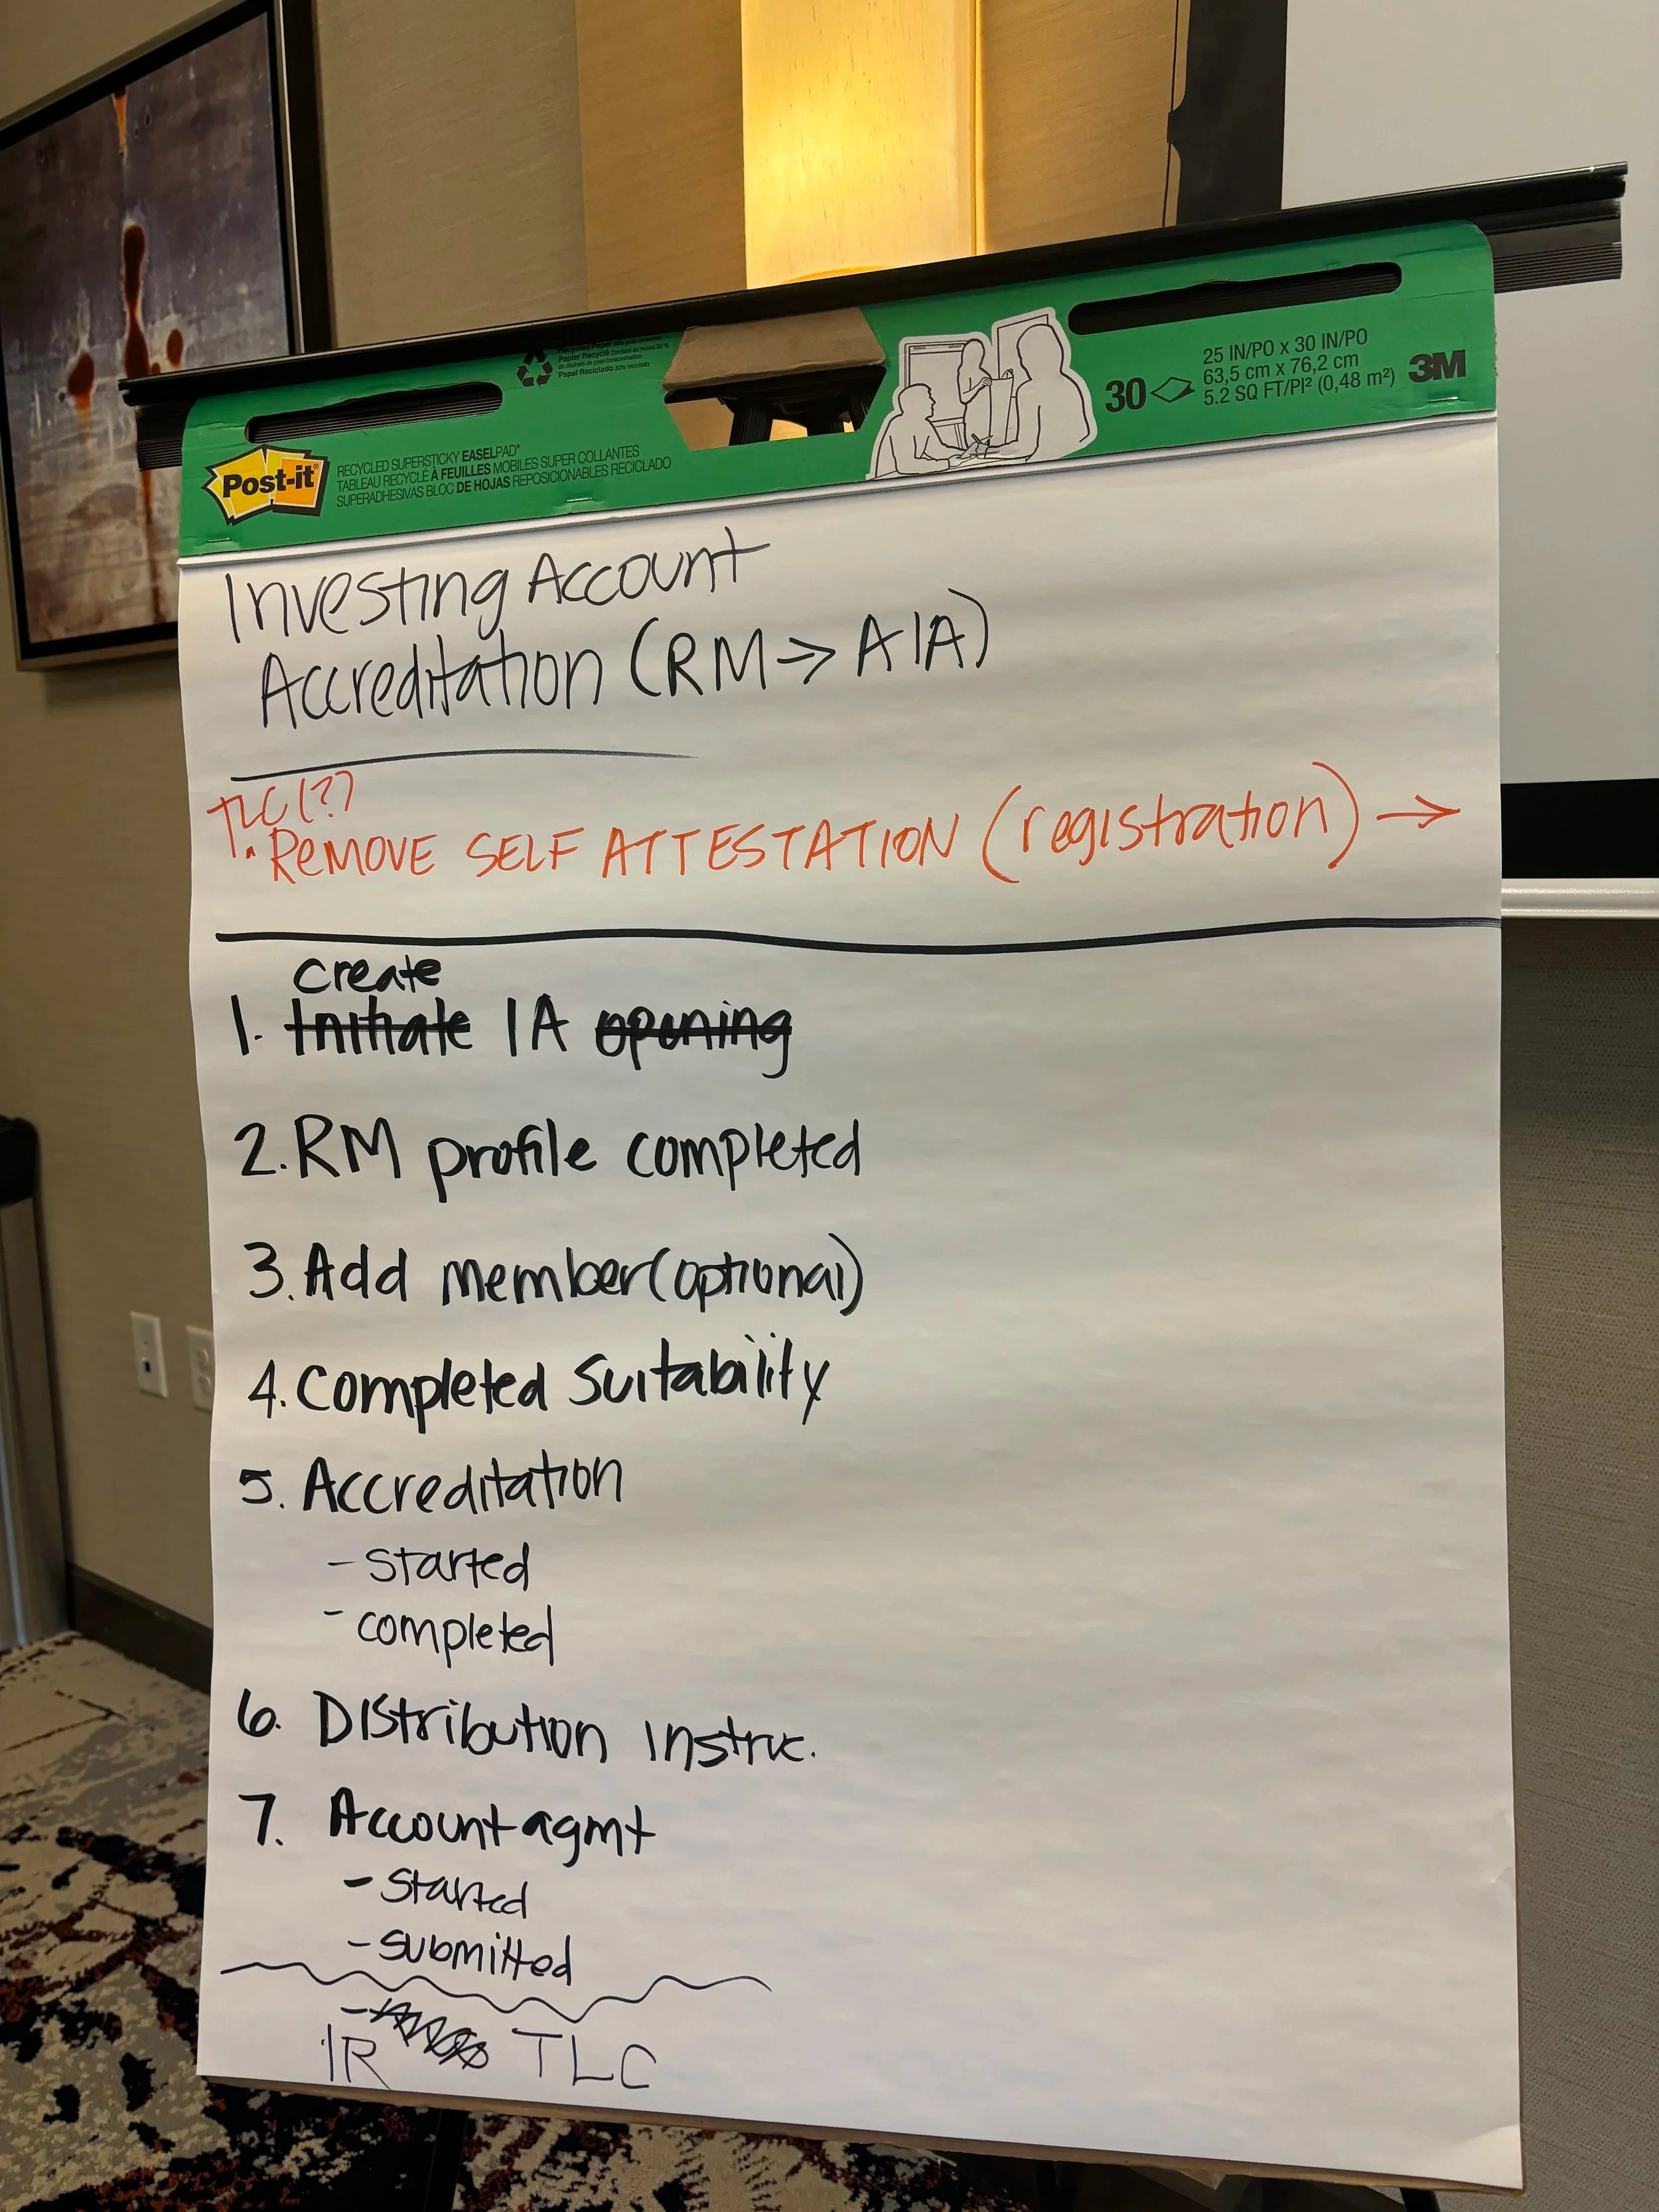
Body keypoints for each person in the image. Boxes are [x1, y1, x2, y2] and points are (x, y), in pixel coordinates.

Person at [985, 320, 1092, 464]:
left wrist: (988, 452)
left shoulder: (1029, 391)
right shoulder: (1070, 383)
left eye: (1023, 357)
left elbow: (1025, 447)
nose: (1023, 364)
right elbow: (1083, 433)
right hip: (1078, 460)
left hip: (1044, 465)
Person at [871, 384, 958, 477]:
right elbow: (906, 466)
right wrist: (947, 463)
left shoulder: (924, 424)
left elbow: (938, 451)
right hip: (890, 480)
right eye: (928, 398)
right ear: (916, 403)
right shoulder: (900, 424)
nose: (933, 402)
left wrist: (963, 455)